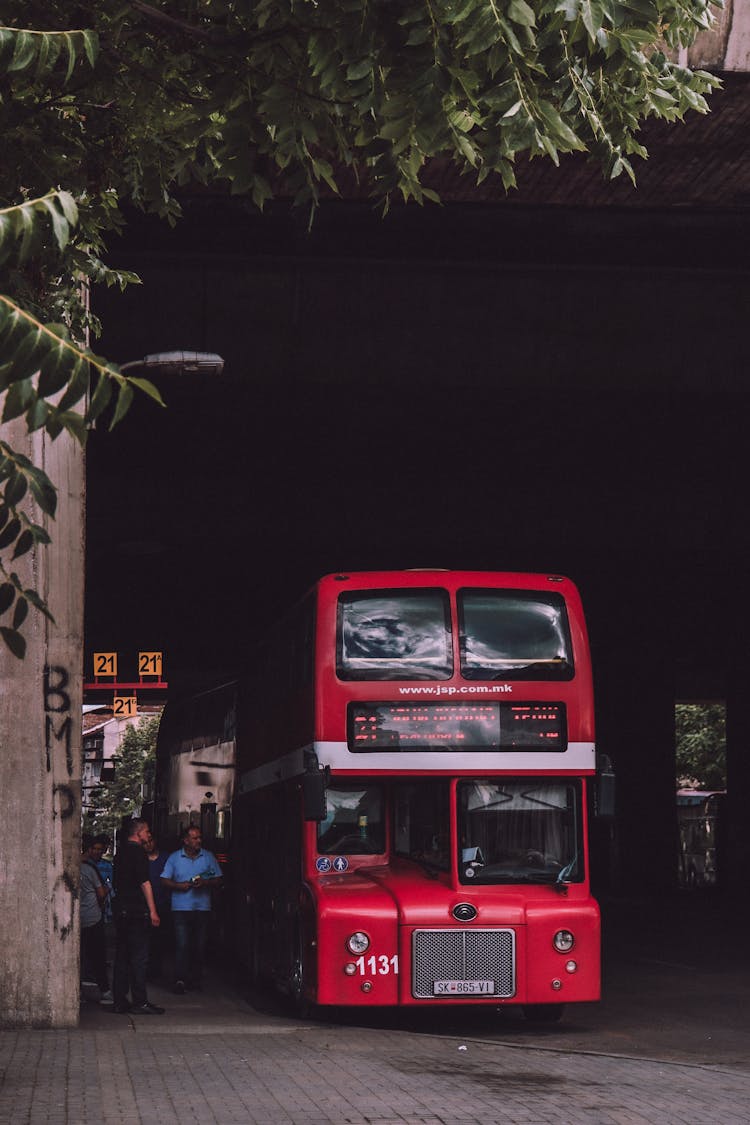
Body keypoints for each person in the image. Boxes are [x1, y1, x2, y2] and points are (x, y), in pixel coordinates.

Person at [111, 818, 165, 1015]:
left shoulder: (120, 853)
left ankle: (119, 1000)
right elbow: (144, 883)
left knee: (122, 956)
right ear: (139, 832)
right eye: (147, 831)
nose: (149, 835)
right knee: (139, 957)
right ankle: (140, 1001)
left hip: (121, 910)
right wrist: (153, 910)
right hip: (136, 911)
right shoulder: (139, 853)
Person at [161, 825, 223, 994]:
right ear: (185, 840)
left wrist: (205, 883)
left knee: (199, 945)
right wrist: (178, 885)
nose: (199, 841)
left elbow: (218, 879)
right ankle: (180, 979)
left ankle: (195, 980)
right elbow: (164, 880)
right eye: (195, 838)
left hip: (202, 908)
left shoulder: (208, 857)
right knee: (182, 944)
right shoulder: (174, 858)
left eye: (199, 838)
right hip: (180, 908)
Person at [80, 834, 113, 1005]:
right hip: (93, 918)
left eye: (101, 849)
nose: (99, 853)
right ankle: (105, 991)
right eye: (96, 849)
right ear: (89, 849)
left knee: (79, 957)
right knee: (98, 956)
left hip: (76, 919)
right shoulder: (90, 869)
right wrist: (106, 889)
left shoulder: (74, 866)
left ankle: (78, 992)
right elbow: (101, 893)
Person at [143, 828, 170, 981]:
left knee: (160, 940)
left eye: (151, 841)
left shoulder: (167, 858)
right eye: (145, 842)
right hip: (145, 906)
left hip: (163, 903)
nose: (148, 844)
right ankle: (146, 971)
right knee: (146, 940)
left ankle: (156, 970)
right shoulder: (140, 860)